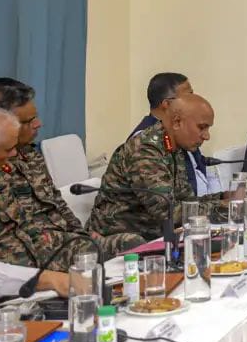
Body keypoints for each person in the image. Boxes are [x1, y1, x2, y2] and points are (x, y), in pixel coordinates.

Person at [0, 79, 144, 265]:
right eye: (29, 121)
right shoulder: (0, 166)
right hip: (37, 253)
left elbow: (57, 203)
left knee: (133, 244)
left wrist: (82, 235)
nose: (38, 124)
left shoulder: (31, 156)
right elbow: (18, 232)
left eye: (36, 117)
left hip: (65, 241)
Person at [91, 94, 225, 241]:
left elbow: (186, 201)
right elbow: (168, 212)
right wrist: (223, 206)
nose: (206, 136)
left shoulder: (174, 146)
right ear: (177, 122)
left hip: (151, 236)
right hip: (120, 239)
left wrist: (224, 197)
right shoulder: (145, 150)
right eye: (202, 127)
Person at [0, 108, 74, 298]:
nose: (14, 154)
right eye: (8, 149)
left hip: (27, 279)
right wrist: (46, 279)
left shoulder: (1, 177)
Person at [129, 72, 216, 196]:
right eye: (188, 96)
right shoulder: (145, 144)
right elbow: (166, 204)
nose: (194, 100)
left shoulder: (178, 136)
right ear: (166, 104)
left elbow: (187, 196)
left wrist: (223, 198)